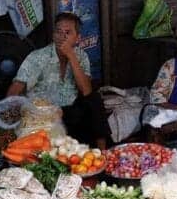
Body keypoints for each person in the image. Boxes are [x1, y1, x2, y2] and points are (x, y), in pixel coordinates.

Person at [7, 12, 111, 148]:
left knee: (94, 99)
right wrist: (11, 114)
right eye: (58, 32)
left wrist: (71, 56)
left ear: (77, 38)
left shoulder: (81, 56)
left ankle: (102, 154)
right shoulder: (38, 57)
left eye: (68, 33)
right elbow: (15, 89)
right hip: (43, 115)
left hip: (70, 113)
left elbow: (86, 90)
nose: (62, 37)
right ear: (53, 35)